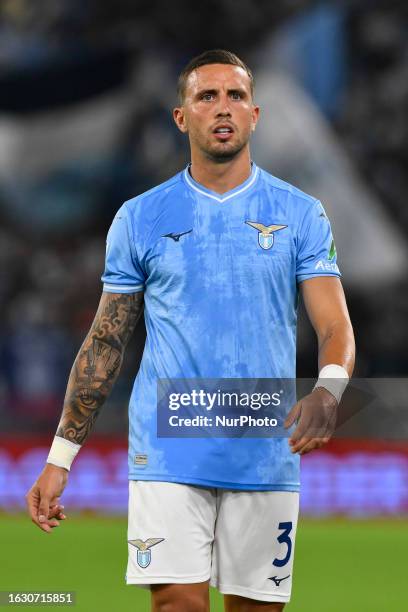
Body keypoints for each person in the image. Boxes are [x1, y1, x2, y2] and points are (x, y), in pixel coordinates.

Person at [26, 49, 355, 611]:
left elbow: (335, 324)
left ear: (255, 114)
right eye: (206, 96)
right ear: (182, 117)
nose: (222, 107)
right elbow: (106, 340)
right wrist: (60, 456)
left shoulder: (301, 213)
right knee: (178, 604)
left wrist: (330, 390)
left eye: (235, 96)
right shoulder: (140, 217)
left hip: (262, 444)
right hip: (170, 444)